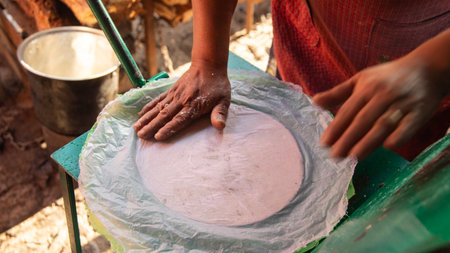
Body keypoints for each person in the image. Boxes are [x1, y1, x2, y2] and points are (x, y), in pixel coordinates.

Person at [133, 0, 449, 161]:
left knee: (382, 182)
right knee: (287, 135)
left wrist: (434, 63)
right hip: (308, 29)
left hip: (418, 57)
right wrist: (207, 60)